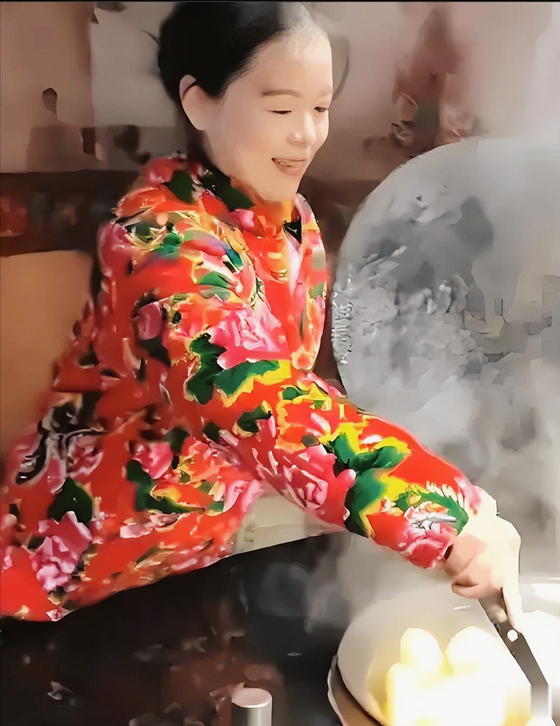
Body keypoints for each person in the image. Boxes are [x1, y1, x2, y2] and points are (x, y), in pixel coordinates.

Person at [0, 1, 522, 625]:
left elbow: (290, 378)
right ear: (199, 103)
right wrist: (439, 511)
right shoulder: (156, 241)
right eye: (280, 109)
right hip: (65, 579)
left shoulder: (290, 220)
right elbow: (252, 396)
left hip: (193, 564)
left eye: (320, 108)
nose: (306, 135)